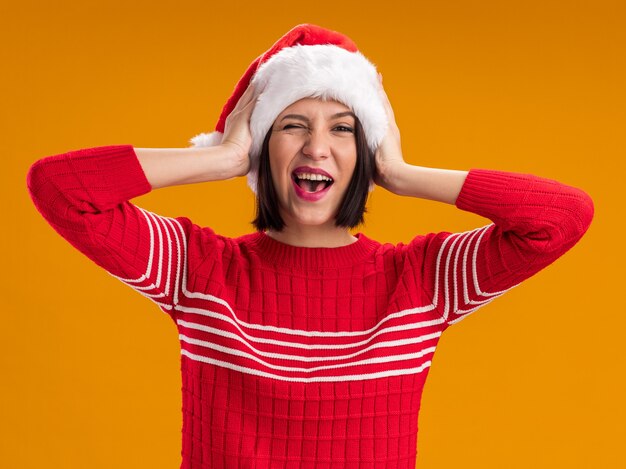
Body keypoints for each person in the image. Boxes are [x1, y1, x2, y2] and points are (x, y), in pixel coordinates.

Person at [26, 24, 594, 469]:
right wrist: (223, 157)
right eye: (293, 125)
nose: (317, 147)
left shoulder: (421, 281)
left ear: (364, 151)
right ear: (262, 147)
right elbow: (59, 189)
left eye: (344, 128)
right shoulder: (196, 268)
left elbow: (562, 218)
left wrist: (397, 170)